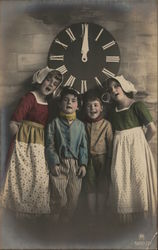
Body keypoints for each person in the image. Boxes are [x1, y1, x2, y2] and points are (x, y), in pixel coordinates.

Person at [0, 66, 63, 216]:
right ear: (41, 79)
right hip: (24, 142)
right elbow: (14, 122)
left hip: (39, 143)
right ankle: (19, 210)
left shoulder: (49, 103)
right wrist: (20, 143)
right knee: (22, 174)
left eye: (54, 84)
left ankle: (33, 210)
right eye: (48, 80)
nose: (50, 85)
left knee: (39, 175)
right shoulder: (30, 97)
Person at [106, 75, 157, 229]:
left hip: (138, 150)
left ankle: (142, 224)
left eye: (116, 86)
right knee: (120, 181)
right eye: (110, 89)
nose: (114, 90)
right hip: (120, 152)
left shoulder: (137, 106)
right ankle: (125, 225)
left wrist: (141, 144)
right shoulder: (112, 113)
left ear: (124, 86)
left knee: (139, 180)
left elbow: (152, 129)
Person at [45, 87, 88, 223]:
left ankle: (65, 225)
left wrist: (83, 164)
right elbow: (50, 145)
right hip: (60, 164)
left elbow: (83, 146)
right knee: (58, 197)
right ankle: (54, 224)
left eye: (73, 101)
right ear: (59, 104)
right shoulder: (54, 123)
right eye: (65, 100)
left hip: (75, 166)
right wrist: (53, 162)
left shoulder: (81, 125)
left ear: (78, 106)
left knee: (73, 197)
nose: (69, 103)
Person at [83, 90, 113, 223]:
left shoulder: (107, 124)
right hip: (88, 159)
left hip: (103, 158)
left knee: (102, 185)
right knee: (90, 186)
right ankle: (92, 214)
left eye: (95, 105)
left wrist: (110, 161)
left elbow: (111, 144)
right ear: (85, 109)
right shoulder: (84, 124)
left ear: (101, 108)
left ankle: (100, 214)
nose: (92, 108)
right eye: (89, 106)